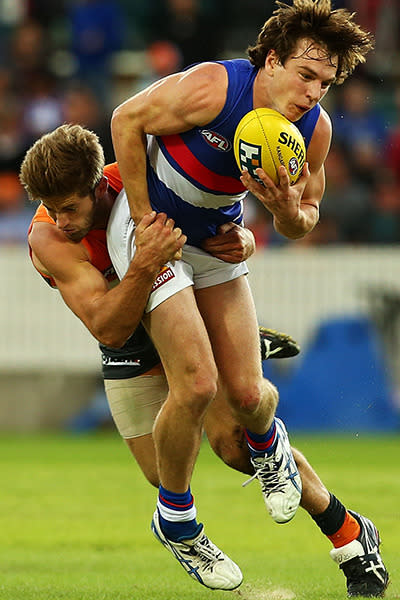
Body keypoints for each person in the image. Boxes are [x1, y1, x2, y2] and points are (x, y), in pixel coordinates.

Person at [21, 124, 388, 597]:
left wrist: (245, 241)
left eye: (69, 207)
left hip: (176, 316)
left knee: (236, 446)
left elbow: (221, 229)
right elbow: (108, 327)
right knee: (164, 465)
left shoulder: (143, 184)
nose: (61, 219)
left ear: (99, 184)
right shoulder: (49, 238)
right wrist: (144, 263)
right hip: (127, 342)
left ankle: (350, 536)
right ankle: (242, 349)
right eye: (51, 208)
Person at [108, 0, 380, 590]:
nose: (313, 93)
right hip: (152, 234)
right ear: (272, 61)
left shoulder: (317, 129)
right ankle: (177, 521)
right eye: (305, 75)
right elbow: (126, 119)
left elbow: (305, 218)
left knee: (252, 396)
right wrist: (143, 217)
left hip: (215, 241)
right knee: (199, 385)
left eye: (326, 84)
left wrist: (283, 215)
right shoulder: (213, 88)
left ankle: (270, 448)